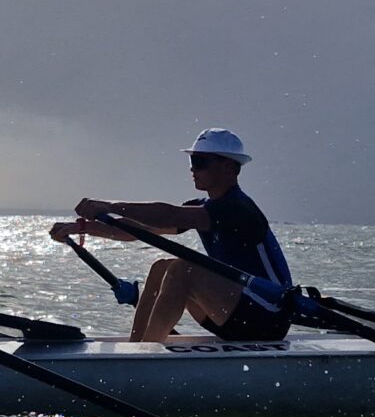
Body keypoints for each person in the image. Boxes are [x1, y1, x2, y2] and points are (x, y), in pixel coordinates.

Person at [51, 128, 294, 342]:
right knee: (161, 267)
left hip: (268, 318)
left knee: (183, 269)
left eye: (200, 162)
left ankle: (145, 359)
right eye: (191, 162)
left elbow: (168, 216)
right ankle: (137, 348)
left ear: (229, 168)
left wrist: (110, 206)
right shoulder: (203, 207)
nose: (193, 169)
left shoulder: (237, 208)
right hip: (237, 313)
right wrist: (79, 228)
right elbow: (137, 230)